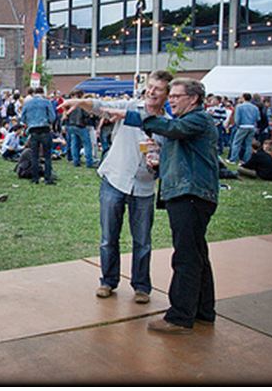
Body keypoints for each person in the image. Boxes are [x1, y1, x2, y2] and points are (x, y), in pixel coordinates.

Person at [116, 77, 219, 334]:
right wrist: (160, 164)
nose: (170, 100)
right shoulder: (187, 123)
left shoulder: (197, 120)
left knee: (186, 257)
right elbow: (182, 151)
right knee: (197, 255)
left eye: (176, 96)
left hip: (191, 195)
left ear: (193, 99)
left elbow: (173, 129)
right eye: (170, 95)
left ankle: (180, 316)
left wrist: (145, 115)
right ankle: (203, 311)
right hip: (189, 194)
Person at [62, 69, 173, 305]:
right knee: (108, 237)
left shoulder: (168, 124)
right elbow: (100, 106)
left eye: (158, 89)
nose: (152, 92)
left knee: (142, 240)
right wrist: (79, 101)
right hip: (115, 180)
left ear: (167, 94)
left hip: (143, 186)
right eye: (150, 86)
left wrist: (158, 159)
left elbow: (170, 160)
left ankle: (141, 286)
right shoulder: (131, 107)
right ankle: (108, 281)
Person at [21, 86, 57, 185]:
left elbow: (22, 118)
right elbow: (52, 117)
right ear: (43, 92)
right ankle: (47, 178)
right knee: (47, 155)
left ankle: (35, 178)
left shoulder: (27, 103)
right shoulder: (46, 102)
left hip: (33, 130)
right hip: (45, 129)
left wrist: (30, 122)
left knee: (34, 155)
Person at [66, 89, 95, 168]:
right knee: (87, 144)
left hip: (72, 124)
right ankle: (89, 162)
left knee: (74, 144)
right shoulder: (82, 104)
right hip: (81, 125)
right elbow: (86, 114)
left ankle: (76, 161)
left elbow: (67, 114)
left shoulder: (71, 104)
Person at [229, 92, 261, 165]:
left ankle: (233, 159)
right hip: (252, 126)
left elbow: (237, 119)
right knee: (249, 144)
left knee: (236, 143)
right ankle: (246, 160)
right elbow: (258, 118)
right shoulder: (255, 107)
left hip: (242, 126)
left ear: (243, 98)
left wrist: (238, 125)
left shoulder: (239, 107)